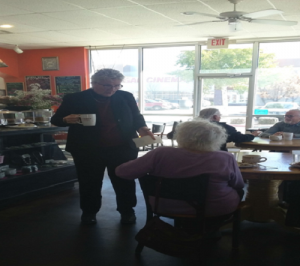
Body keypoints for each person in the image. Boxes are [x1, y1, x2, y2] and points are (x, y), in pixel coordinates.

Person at [51, 68, 154, 225]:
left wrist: (143, 129)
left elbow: (136, 117)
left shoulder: (125, 96)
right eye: (107, 85)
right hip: (87, 149)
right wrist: (67, 119)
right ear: (94, 83)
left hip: (122, 147)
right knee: (89, 183)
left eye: (117, 85)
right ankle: (89, 212)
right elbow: (56, 119)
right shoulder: (76, 98)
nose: (112, 89)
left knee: (124, 181)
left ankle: (127, 211)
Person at [116, 119, 244, 224]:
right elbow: (238, 185)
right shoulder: (225, 158)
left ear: (180, 136)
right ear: (217, 139)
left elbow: (122, 172)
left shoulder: (161, 153)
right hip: (212, 209)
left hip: (164, 206)